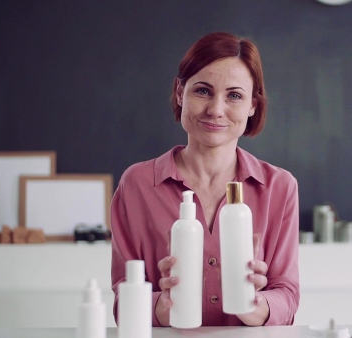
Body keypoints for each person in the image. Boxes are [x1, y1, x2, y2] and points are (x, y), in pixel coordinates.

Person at [110, 32, 300, 327]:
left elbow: (287, 297)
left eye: (234, 95)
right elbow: (123, 302)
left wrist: (253, 303)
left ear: (252, 105)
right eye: (202, 91)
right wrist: (164, 302)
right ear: (179, 92)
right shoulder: (137, 184)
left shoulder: (280, 187)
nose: (216, 109)